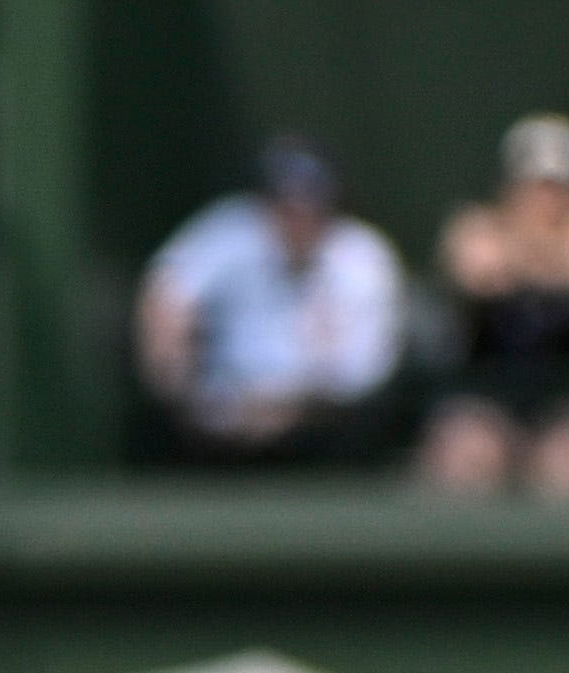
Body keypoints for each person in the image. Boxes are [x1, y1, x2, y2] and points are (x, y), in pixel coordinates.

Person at [133, 138, 402, 462]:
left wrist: (287, 410)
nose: (298, 221)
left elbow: (361, 377)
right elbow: (165, 295)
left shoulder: (363, 259)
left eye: (310, 207)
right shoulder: (233, 232)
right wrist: (178, 386)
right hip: (222, 416)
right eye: (287, 207)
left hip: (322, 425)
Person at [416, 115, 569, 495]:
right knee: (467, 452)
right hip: (487, 395)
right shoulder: (476, 227)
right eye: (533, 186)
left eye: (558, 188)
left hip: (568, 402)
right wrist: (551, 260)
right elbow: (474, 267)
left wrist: (522, 259)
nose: (545, 200)